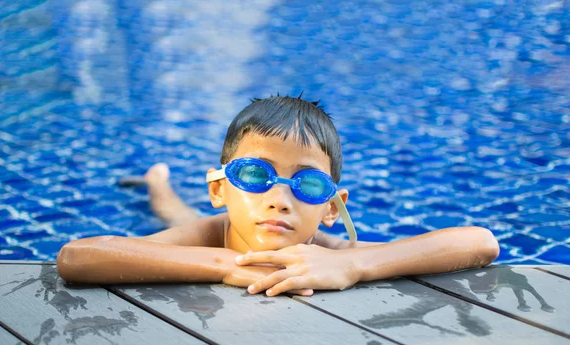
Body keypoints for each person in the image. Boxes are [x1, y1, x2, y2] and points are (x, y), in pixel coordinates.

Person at [56, 95, 500, 297]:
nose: (278, 199)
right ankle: (157, 179)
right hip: (208, 230)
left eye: (307, 184)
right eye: (254, 176)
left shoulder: (327, 251)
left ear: (331, 207)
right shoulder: (207, 235)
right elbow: (79, 257)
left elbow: (480, 243)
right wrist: (231, 265)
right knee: (170, 210)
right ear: (220, 189)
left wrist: (353, 264)